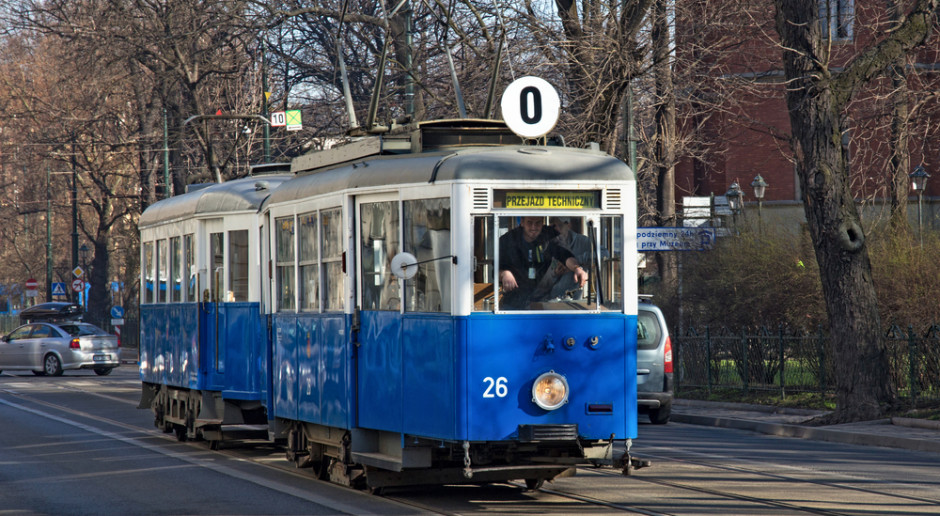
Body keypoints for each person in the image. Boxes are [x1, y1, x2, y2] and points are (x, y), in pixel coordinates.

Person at [499, 216, 588, 309]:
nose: (533, 227)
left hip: (543, 299)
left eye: (537, 223)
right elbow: (497, 269)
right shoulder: (508, 240)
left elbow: (565, 255)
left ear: (542, 223)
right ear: (522, 222)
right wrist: (505, 273)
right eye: (529, 222)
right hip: (514, 301)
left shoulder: (550, 236)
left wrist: (577, 268)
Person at [548, 216, 592, 300]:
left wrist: (577, 262)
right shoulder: (548, 243)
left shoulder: (583, 241)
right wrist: (554, 274)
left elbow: (604, 254)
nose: (556, 230)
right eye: (553, 227)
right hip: (550, 300)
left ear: (568, 225)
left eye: (560, 226)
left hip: (574, 302)